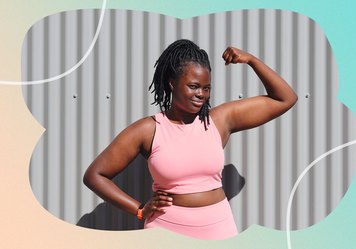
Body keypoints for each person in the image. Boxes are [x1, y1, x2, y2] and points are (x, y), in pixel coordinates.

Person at [83, 39, 298, 240]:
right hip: (166, 229)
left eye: (206, 88)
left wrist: (251, 60)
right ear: (172, 84)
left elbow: (285, 98)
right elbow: (95, 175)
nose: (201, 95)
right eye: (193, 86)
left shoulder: (219, 121)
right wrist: (139, 210)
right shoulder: (149, 129)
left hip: (218, 227)